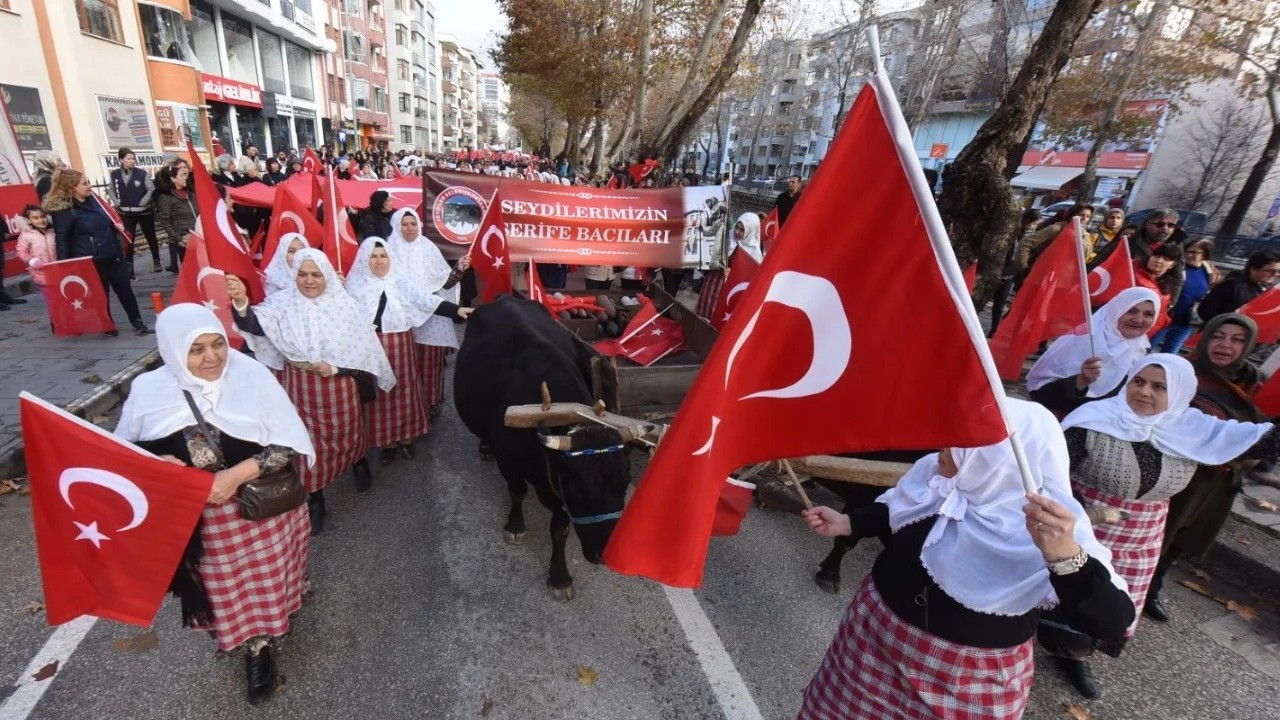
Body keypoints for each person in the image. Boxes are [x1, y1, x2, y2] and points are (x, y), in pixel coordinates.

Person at [799, 399, 1132, 719]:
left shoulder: (1048, 530)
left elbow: (1110, 620)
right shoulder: (942, 475)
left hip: (964, 681)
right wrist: (849, 523)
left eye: (963, 439)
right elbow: (901, 505)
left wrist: (1065, 557)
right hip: (869, 643)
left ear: (999, 457)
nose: (944, 444)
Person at [1041, 354, 1278, 699]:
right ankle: (1057, 642)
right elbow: (1053, 477)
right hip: (1086, 526)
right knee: (1069, 592)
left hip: (1144, 534)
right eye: (1138, 381)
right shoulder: (1091, 422)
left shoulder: (1193, 428)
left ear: (1180, 393)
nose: (1144, 392)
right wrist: (1081, 513)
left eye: (1159, 386)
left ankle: (1078, 652)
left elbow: (1268, 441)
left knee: (1115, 603)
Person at [116, 304, 315, 706]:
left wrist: (235, 476)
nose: (212, 358)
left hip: (261, 511)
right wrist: (155, 463)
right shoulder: (149, 391)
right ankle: (245, 639)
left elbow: (289, 444)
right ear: (173, 351)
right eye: (197, 350)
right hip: (199, 524)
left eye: (217, 345)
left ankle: (260, 649)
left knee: (268, 583)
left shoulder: (252, 376)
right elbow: (123, 452)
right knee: (224, 592)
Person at [227, 250, 395, 532]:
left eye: (316, 274)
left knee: (348, 431)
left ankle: (358, 461)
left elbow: (363, 357)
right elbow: (254, 324)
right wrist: (241, 300)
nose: (309, 281)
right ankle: (315, 498)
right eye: (302, 274)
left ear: (327, 275)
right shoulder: (281, 304)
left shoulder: (346, 306)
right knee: (305, 443)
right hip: (299, 385)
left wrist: (335, 369)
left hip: (338, 387)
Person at [1145, 315, 1266, 623]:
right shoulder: (1183, 376)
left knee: (1186, 534)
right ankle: (1136, 586)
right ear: (1206, 337)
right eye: (1218, 336)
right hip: (1183, 473)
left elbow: (1261, 429)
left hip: (1222, 478)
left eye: (1237, 340)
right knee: (1162, 531)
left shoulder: (1252, 382)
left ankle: (1153, 588)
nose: (1225, 345)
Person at [346, 237, 449, 466]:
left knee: (404, 389)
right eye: (373, 256)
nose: (379, 261)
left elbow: (426, 300)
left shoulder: (400, 283)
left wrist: (457, 310)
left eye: (383, 256)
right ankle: (387, 443)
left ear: (390, 259)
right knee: (379, 393)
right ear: (365, 259)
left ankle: (406, 439)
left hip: (400, 343)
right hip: (371, 347)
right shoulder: (353, 287)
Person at [44, 168, 150, 336]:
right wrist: (66, 267)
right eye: (85, 183)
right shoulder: (64, 211)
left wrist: (117, 227)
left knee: (125, 289)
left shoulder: (96, 201)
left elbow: (107, 220)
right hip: (91, 259)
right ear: (72, 187)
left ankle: (137, 321)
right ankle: (107, 324)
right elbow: (62, 240)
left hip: (113, 252)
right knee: (101, 295)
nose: (89, 186)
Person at [386, 208, 471, 417]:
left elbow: (443, 281)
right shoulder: (387, 250)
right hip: (401, 318)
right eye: (405, 224)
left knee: (430, 363)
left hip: (431, 314)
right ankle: (408, 409)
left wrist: (459, 268)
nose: (409, 228)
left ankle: (430, 404)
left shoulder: (427, 247)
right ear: (397, 225)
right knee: (405, 366)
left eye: (413, 224)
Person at [1026, 287, 1161, 416]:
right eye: (1130, 311)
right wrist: (1081, 381)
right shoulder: (1081, 340)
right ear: (1116, 310)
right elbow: (1040, 395)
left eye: (1148, 314)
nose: (1138, 320)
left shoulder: (1140, 347)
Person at [1153, 239, 1218, 353]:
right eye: (1188, 251)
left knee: (1170, 354)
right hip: (1167, 317)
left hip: (1185, 322)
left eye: (1195, 252)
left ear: (1205, 254)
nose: (1189, 255)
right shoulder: (1177, 268)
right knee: (1147, 347)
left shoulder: (1208, 270)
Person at [695, 212, 762, 321]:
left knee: (718, 318)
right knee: (704, 311)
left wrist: (734, 272)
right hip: (714, 281)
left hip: (731, 290)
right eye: (737, 227)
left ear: (750, 231)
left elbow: (752, 279)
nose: (736, 231)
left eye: (742, 230)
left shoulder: (754, 253)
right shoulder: (727, 238)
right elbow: (710, 256)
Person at [988, 208, 1042, 337]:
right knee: (986, 299)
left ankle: (995, 330)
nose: (1034, 227)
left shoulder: (1025, 235)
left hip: (1009, 273)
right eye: (1034, 223)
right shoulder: (1012, 231)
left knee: (1000, 303)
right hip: (998, 270)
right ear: (1028, 220)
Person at [110, 148, 162, 275]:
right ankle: (129, 265)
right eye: (128, 159)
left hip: (144, 212)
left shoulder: (141, 173)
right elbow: (111, 190)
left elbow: (151, 189)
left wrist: (143, 202)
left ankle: (156, 260)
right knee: (129, 239)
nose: (132, 161)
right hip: (126, 213)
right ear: (121, 160)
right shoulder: (115, 174)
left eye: (133, 158)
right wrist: (117, 203)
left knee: (151, 237)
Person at [1195, 249, 1280, 324]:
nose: (1275, 275)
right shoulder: (1232, 284)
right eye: (1270, 271)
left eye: (1278, 271)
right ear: (1253, 269)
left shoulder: (1264, 288)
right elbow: (1205, 310)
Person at [1015, 203, 1095, 280]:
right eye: (1081, 215)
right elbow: (1025, 243)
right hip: (1041, 277)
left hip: (1063, 281)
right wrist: (1024, 270)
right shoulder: (1056, 229)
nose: (1084, 219)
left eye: (1088, 216)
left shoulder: (1086, 236)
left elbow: (1083, 259)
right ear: (1072, 215)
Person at [1132, 242, 1183, 338]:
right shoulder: (1132, 272)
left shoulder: (1170, 283)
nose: (1159, 261)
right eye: (1156, 256)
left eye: (1166, 259)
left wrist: (1165, 320)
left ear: (1172, 265)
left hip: (1150, 334)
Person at [154, 161, 197, 270]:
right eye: (182, 176)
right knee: (191, 270)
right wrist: (178, 239)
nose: (185, 178)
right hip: (184, 239)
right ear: (173, 179)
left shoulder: (190, 193)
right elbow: (164, 221)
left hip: (198, 236)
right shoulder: (166, 197)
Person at [15, 205, 54, 318]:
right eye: (35, 218)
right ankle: (55, 322)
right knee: (52, 301)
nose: (41, 220)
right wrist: (31, 260)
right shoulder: (26, 235)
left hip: (57, 271)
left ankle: (68, 322)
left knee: (63, 297)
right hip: (42, 274)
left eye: (42, 217)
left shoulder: (52, 232)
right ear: (28, 220)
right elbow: (21, 251)